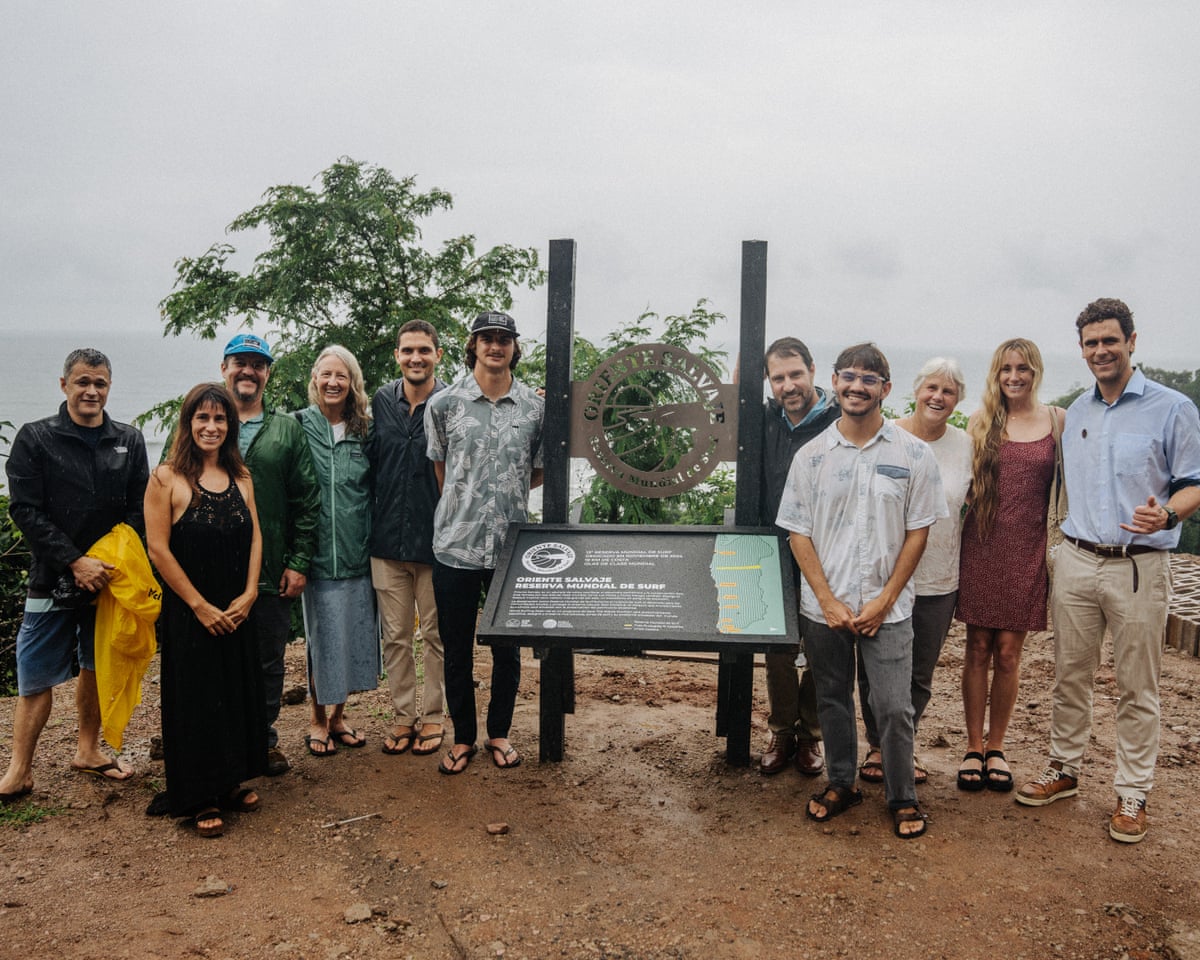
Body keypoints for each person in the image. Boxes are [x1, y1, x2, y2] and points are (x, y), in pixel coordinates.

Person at [1016, 298, 1200, 844]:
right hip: (1075, 559)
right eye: (1091, 343)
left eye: (1110, 341)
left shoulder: (1172, 408)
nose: (1101, 351)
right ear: (1082, 349)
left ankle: (1132, 791)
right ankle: (1064, 768)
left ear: (1132, 341)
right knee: (1069, 675)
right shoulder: (1079, 412)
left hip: (1139, 567)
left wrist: (1168, 512)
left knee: (1136, 685)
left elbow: (1193, 481)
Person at [776, 343, 945, 839]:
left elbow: (919, 531)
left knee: (893, 706)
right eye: (848, 377)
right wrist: (826, 600)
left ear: (885, 390)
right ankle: (842, 782)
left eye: (869, 379)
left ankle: (902, 795)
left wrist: (886, 598)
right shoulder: (812, 457)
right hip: (823, 607)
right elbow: (797, 532)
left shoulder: (914, 454)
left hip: (887, 608)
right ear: (835, 382)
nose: (857, 386)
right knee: (831, 698)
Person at [0, 348, 149, 803]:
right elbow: (25, 509)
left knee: (94, 665)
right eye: (83, 381)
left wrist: (106, 566)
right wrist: (74, 562)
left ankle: (88, 749)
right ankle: (18, 770)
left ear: (109, 387)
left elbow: (138, 510)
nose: (92, 391)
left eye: (100, 383)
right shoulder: (36, 438)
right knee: (34, 676)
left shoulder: (129, 439)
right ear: (63, 385)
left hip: (108, 580)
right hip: (52, 577)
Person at [425, 310, 544, 775]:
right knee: (455, 648)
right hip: (455, 546)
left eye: (504, 339)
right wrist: (465, 506)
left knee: (507, 650)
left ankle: (500, 733)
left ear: (515, 346)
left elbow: (535, 472)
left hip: (510, 550)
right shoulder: (445, 404)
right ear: (471, 345)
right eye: (486, 338)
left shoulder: (534, 408)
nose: (495, 346)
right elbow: (441, 468)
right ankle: (462, 738)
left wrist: (504, 497)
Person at [145, 383, 265, 837]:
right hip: (191, 610)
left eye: (220, 419)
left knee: (234, 692)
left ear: (230, 426)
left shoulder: (242, 476)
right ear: (188, 423)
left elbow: (255, 536)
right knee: (195, 699)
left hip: (236, 606)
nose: (211, 427)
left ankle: (230, 780)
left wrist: (251, 592)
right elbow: (158, 549)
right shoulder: (165, 479)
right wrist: (198, 605)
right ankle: (199, 795)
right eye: (203, 418)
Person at [856, 358, 972, 787]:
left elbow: (971, 503)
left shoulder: (965, 445)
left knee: (919, 671)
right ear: (916, 391)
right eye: (931, 388)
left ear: (958, 400)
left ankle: (902, 746)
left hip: (939, 576)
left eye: (948, 391)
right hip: (884, 575)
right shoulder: (888, 437)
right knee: (874, 667)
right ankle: (875, 744)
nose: (938, 397)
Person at [955, 339, 1064, 792]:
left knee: (1009, 653)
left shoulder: (1057, 420)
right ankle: (973, 746)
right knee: (977, 647)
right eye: (1005, 369)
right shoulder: (979, 421)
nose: (1014, 377)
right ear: (996, 375)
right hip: (981, 544)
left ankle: (997, 746)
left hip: (1027, 549)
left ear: (1036, 371)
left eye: (1022, 368)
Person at [220, 333, 320, 776]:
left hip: (271, 571)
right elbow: (169, 481)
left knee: (267, 662)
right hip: (212, 572)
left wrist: (299, 562)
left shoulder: (286, 427)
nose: (248, 371)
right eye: (240, 362)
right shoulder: (204, 418)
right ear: (224, 367)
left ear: (267, 373)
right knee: (214, 661)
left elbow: (306, 497)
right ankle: (214, 744)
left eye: (258, 364)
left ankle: (263, 741)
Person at [758, 337, 840, 777]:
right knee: (778, 645)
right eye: (777, 378)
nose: (788, 386)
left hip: (825, 551)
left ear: (812, 370)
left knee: (823, 643)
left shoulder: (836, 421)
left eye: (795, 374)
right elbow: (724, 403)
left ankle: (811, 735)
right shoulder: (766, 419)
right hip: (774, 547)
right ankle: (781, 730)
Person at [369, 320, 447, 757]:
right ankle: (403, 717)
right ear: (397, 355)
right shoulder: (381, 401)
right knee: (395, 637)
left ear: (438, 354)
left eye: (424, 350)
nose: (415, 357)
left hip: (438, 543)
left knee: (435, 636)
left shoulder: (453, 402)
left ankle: (433, 717)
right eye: (407, 351)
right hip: (386, 541)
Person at [297, 346, 379, 757]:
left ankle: (338, 717)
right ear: (315, 380)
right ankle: (315, 719)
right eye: (326, 374)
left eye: (341, 376)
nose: (333, 382)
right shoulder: (297, 426)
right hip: (313, 557)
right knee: (319, 639)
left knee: (351, 636)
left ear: (352, 383)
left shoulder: (365, 429)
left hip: (357, 552)